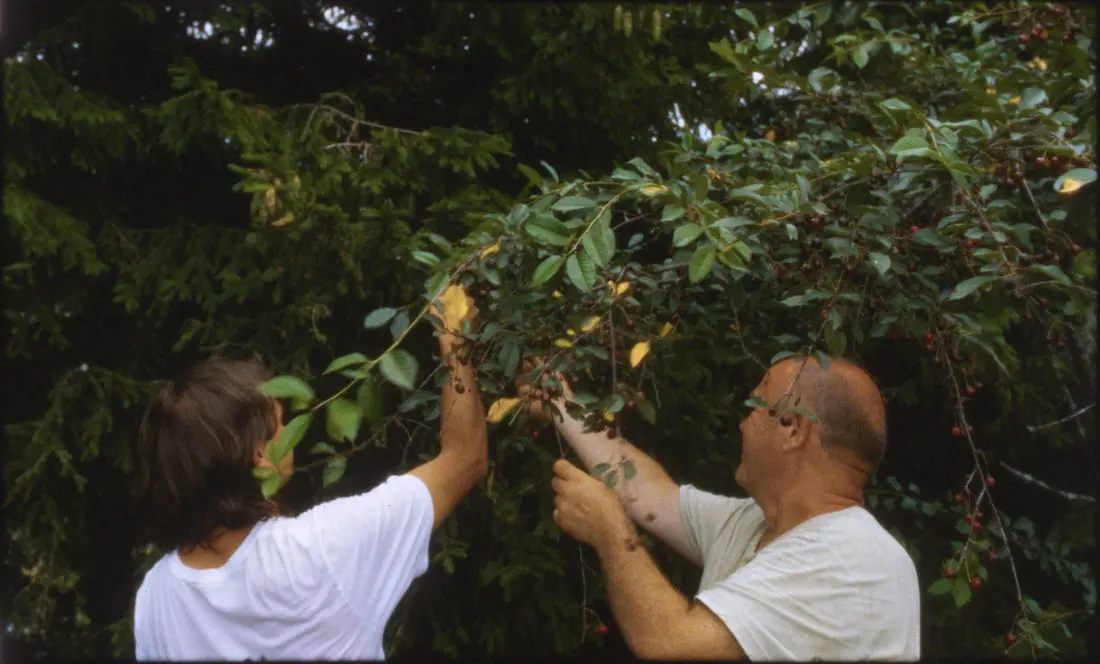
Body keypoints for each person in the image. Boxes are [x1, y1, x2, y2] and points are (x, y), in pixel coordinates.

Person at [133, 287, 486, 660]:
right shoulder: (324, 548)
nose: (293, 431)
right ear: (260, 457)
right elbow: (465, 459)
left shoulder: (157, 598)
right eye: (282, 422)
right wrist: (455, 339)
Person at [531, 354, 920, 661]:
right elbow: (645, 495)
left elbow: (671, 642)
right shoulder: (756, 523)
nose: (742, 424)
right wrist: (563, 406)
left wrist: (610, 532)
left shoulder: (850, 560)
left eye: (755, 406)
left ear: (792, 429)